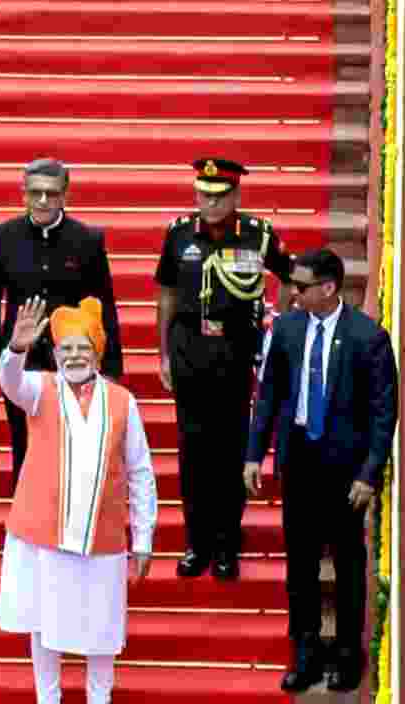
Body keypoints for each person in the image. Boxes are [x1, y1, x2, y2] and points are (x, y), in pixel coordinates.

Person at [0, 295, 156, 704]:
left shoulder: (123, 401)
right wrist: (17, 348)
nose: (74, 356)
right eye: (66, 348)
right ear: (56, 353)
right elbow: (9, 381)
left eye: (83, 348)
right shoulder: (39, 389)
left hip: (102, 536)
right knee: (43, 622)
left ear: (98, 352)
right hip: (41, 532)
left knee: (101, 624)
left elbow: (141, 470)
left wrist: (142, 538)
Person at [244, 248, 398, 693]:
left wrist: (369, 473)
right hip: (299, 464)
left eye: (302, 285)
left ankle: (348, 655)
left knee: (349, 564)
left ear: (328, 288)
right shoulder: (287, 328)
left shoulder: (367, 337)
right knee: (301, 564)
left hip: (345, 471)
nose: (293, 292)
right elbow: (269, 394)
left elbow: (383, 412)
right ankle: (306, 652)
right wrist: (256, 453)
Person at [155, 158, 291, 580]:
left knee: (231, 450)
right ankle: (197, 544)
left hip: (234, 350)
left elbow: (288, 277)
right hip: (190, 348)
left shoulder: (257, 235)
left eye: (220, 196)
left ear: (235, 195)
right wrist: (163, 353)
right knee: (192, 450)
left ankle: (228, 545)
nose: (211, 204)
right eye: (203, 195)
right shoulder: (179, 233)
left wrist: (277, 329)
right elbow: (167, 295)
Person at [0, 158, 124, 490]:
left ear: (65, 195)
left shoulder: (87, 239)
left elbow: (105, 304)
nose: (42, 200)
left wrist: (111, 364)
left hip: (73, 358)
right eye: (35, 193)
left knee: (72, 443)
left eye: (51, 193)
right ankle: (25, 529)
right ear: (23, 194)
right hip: (21, 361)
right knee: (23, 444)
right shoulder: (4, 237)